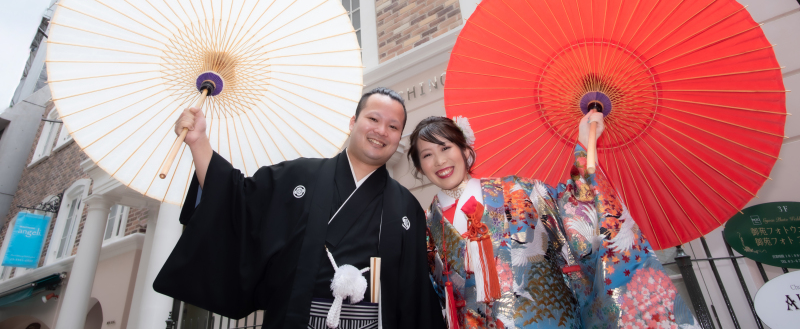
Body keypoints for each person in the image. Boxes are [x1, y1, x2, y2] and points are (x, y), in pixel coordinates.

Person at [154, 87, 445, 329]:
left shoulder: (406, 205)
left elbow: (415, 295)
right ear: (353, 121)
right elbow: (236, 203)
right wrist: (198, 142)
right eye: (373, 119)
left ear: (398, 137)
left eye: (393, 127)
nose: (382, 131)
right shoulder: (298, 176)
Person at [409, 113, 698, 329]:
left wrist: (585, 144)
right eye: (427, 155)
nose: (439, 161)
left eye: (446, 148)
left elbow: (576, 210)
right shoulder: (427, 226)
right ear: (420, 167)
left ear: (465, 150)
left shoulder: (518, 191)